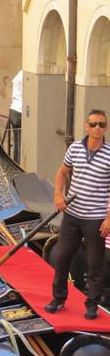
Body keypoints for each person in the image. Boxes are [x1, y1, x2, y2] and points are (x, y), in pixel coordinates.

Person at [45, 109, 110, 320]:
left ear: (106, 128)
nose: (97, 128)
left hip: (95, 217)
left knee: (95, 263)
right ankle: (58, 298)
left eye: (101, 124)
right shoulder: (74, 149)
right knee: (62, 258)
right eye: (93, 124)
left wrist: (109, 218)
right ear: (86, 126)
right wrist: (58, 194)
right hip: (72, 215)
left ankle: (92, 304)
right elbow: (62, 172)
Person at [9, 70, 23, 163]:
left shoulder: (18, 75)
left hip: (13, 109)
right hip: (19, 110)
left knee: (17, 141)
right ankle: (18, 164)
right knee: (20, 142)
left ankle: (16, 163)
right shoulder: (24, 75)